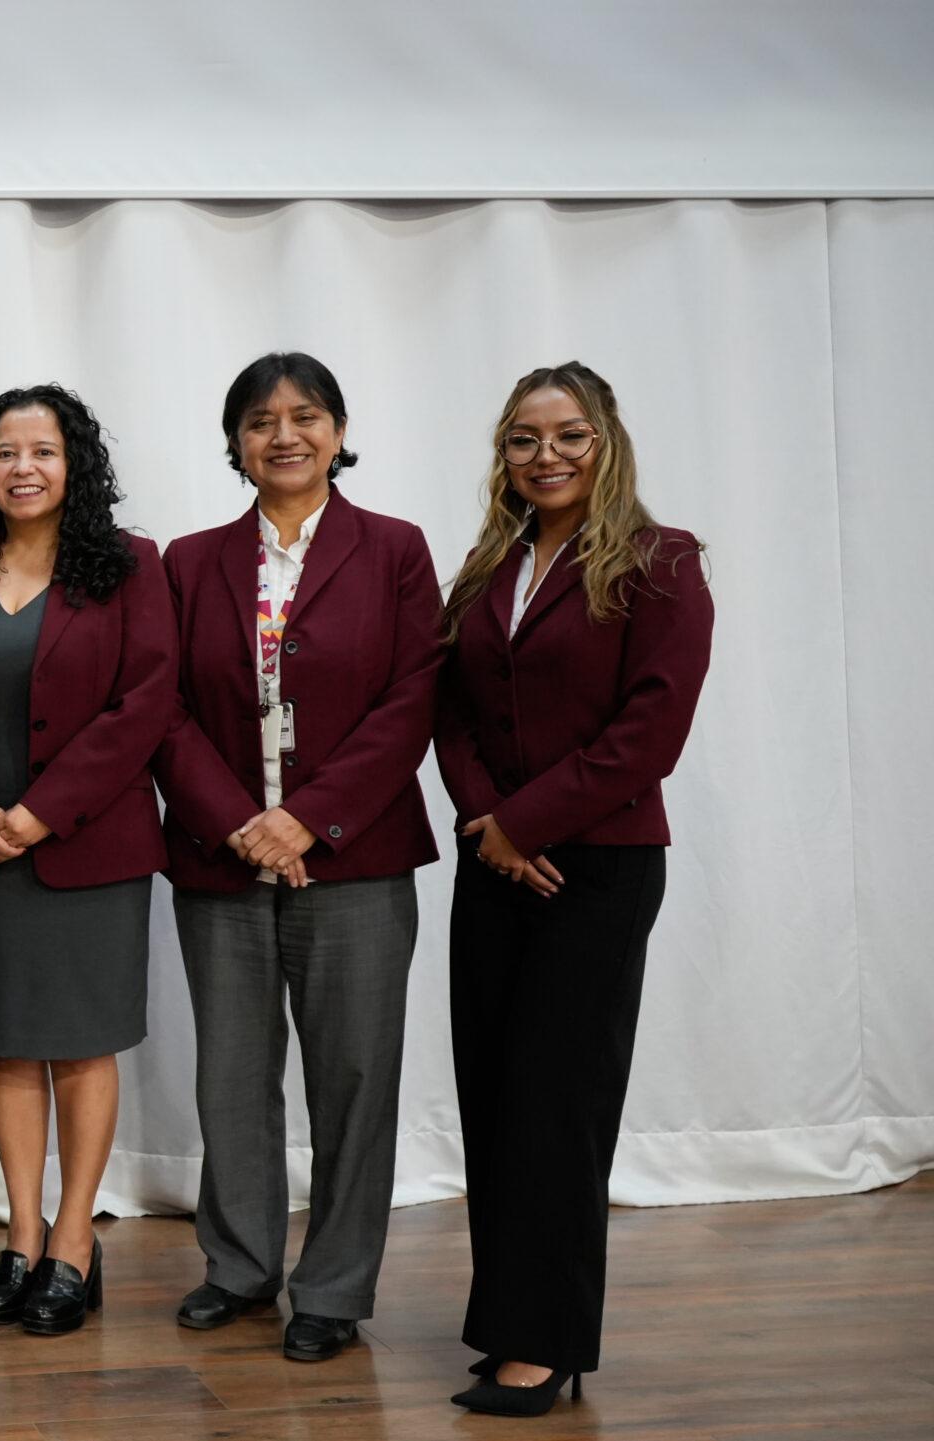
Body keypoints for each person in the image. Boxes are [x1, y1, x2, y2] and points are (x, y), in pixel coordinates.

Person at [435, 364, 711, 1418]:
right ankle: (509, 1318)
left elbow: (651, 730)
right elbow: (449, 711)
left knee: (559, 1103)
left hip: (597, 865)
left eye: (567, 435)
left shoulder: (660, 563)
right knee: (493, 1098)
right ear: (502, 455)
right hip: (492, 858)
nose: (544, 455)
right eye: (521, 439)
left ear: (606, 441)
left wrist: (526, 821)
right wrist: (485, 823)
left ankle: (545, 1346)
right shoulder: (487, 563)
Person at [153, 352, 441, 1363]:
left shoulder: (395, 550)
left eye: (304, 415)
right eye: (260, 420)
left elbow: (410, 701)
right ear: (234, 440)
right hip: (219, 857)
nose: (284, 435)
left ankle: (333, 1284)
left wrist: (306, 819)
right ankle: (237, 1265)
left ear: (337, 428)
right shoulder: (188, 562)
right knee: (232, 1073)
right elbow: (165, 708)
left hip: (353, 862)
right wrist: (240, 820)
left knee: (354, 1075)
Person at [0, 384, 175, 1336]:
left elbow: (144, 704)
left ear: (76, 464)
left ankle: (75, 1239)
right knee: (10, 1041)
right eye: (3, 452)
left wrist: (40, 811)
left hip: (91, 849)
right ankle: (22, 1234)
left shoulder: (129, 566)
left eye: (43, 451)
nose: (22, 468)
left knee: (81, 1042)